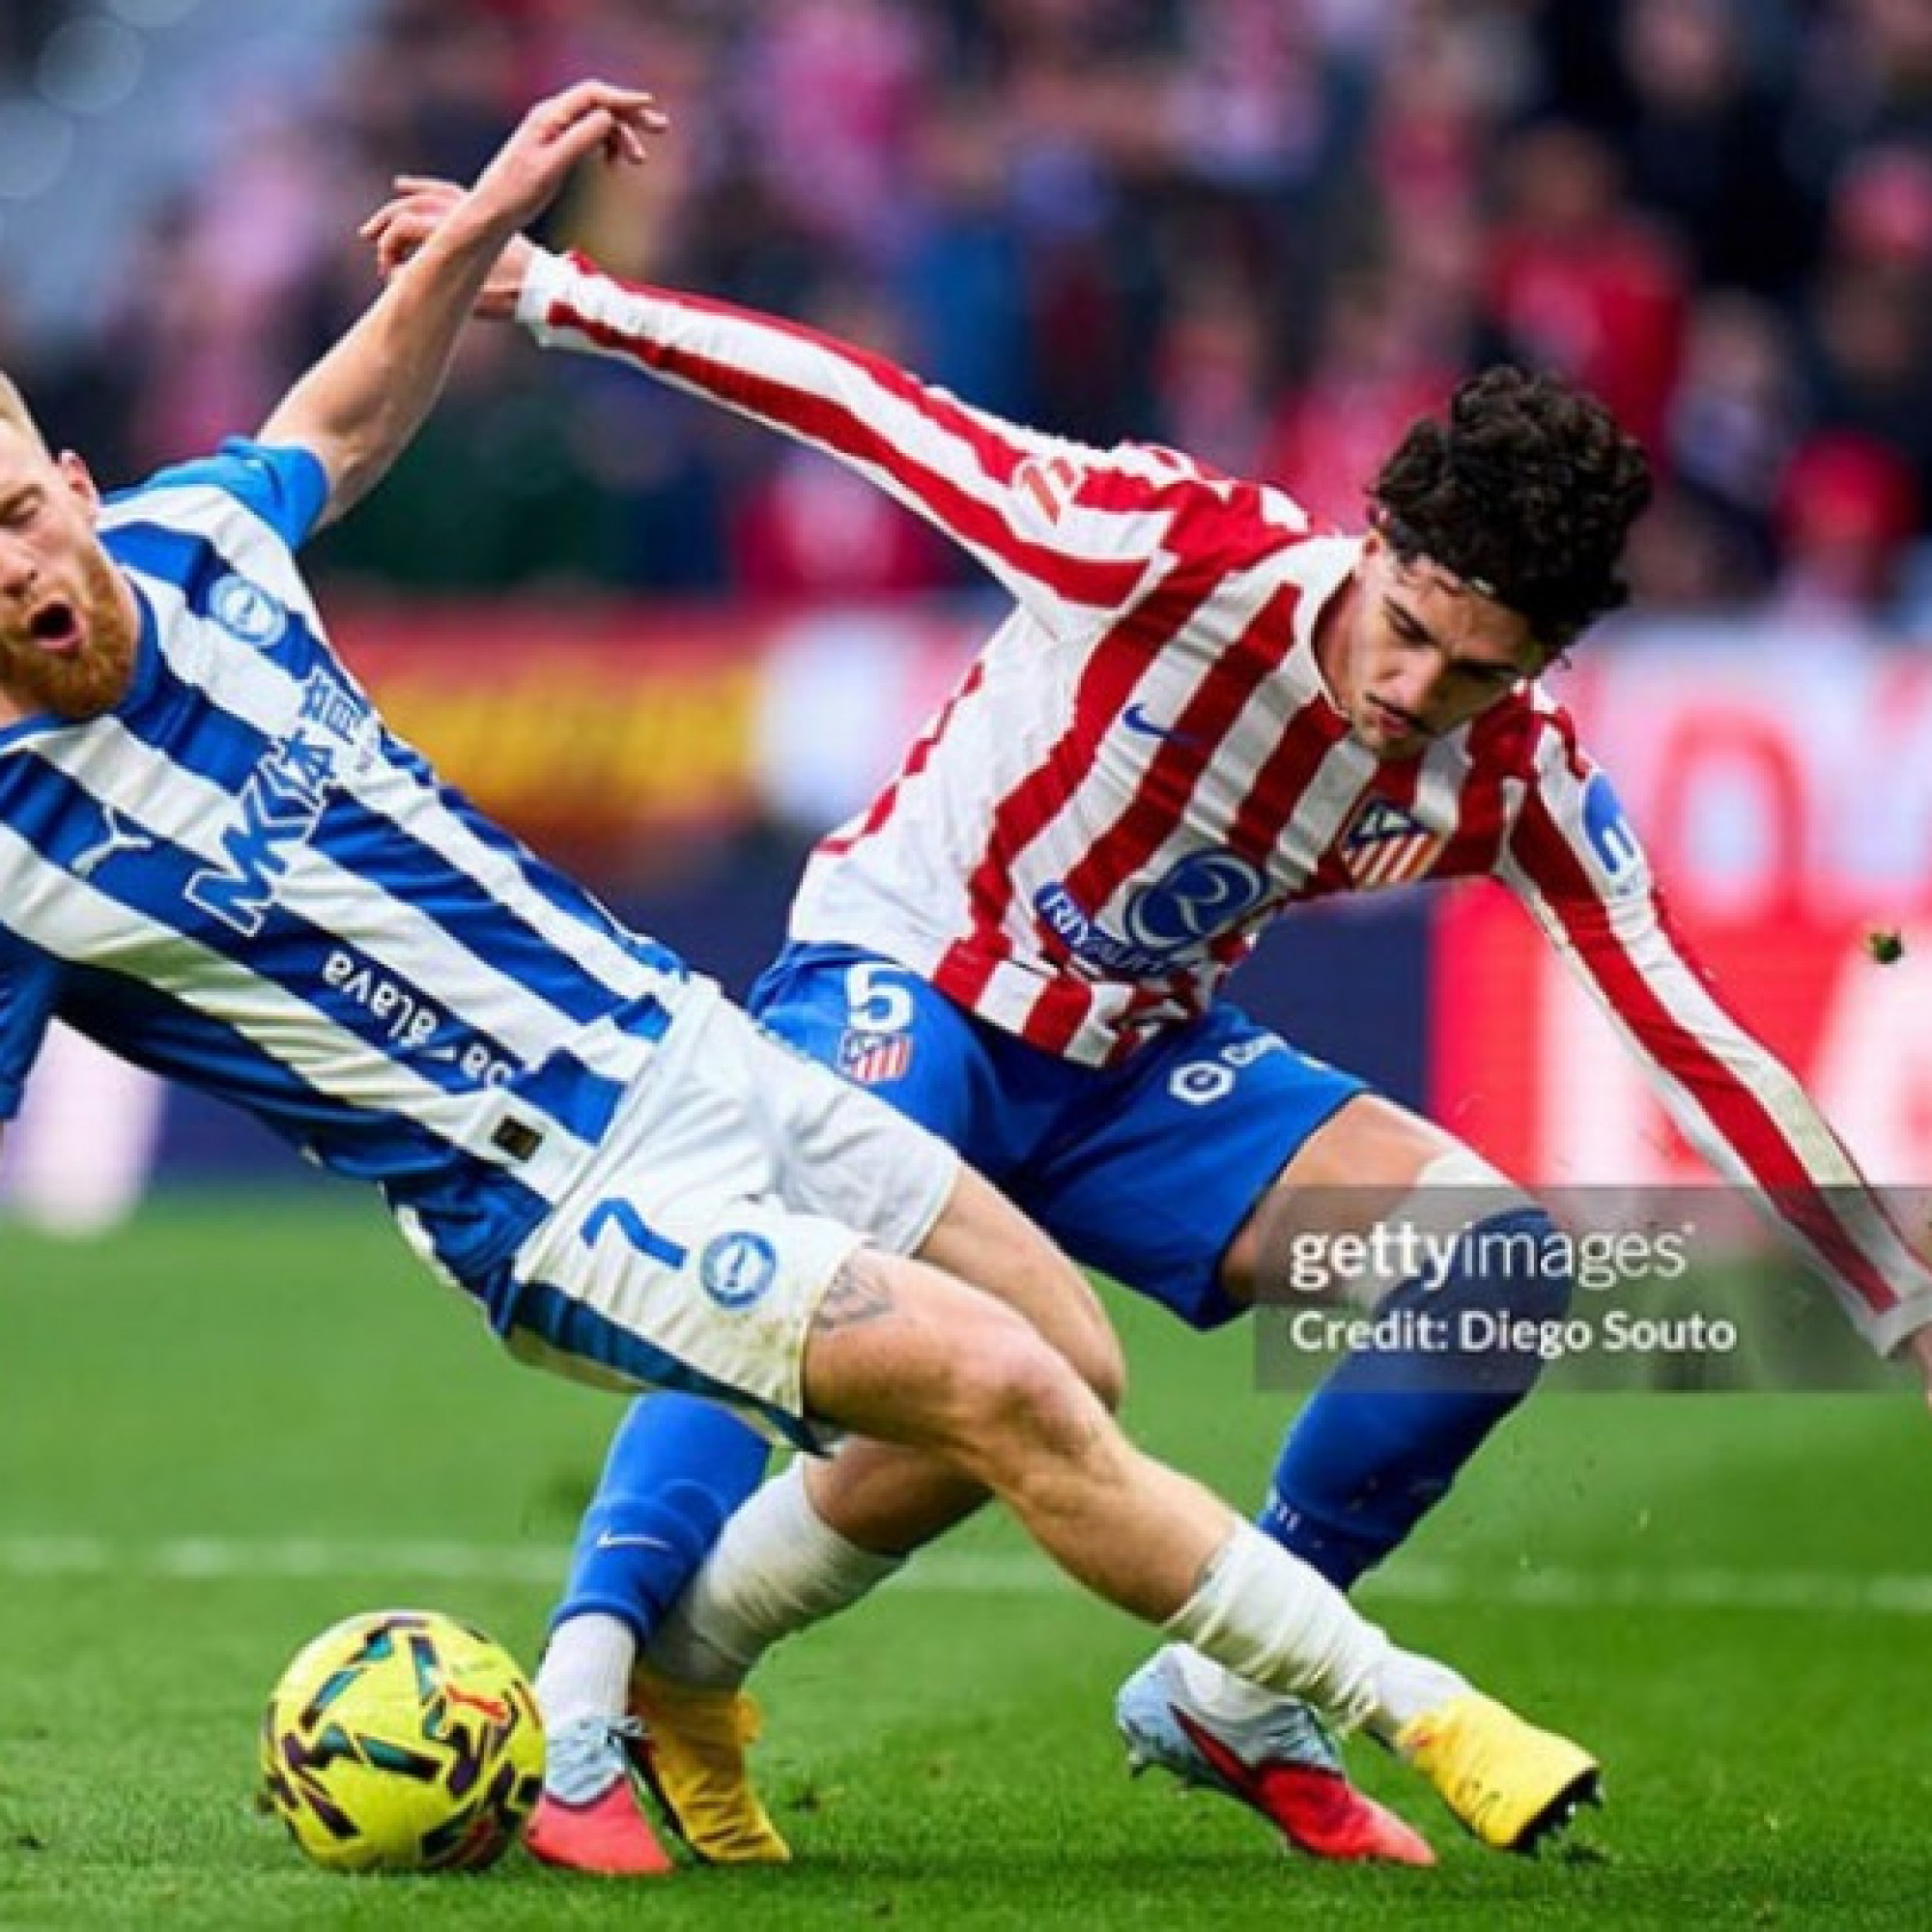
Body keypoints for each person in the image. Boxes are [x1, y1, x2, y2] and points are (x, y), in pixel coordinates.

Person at [0, 78, 1601, 1873]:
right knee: (999, 1392)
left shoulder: (200, 544)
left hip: (679, 1037)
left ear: (78, 487)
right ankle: (1416, 1706)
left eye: (18, 513)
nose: (15, 570)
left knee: (1071, 1359)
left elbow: (342, 412)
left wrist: (500, 233)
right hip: (555, 1190)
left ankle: (671, 1670)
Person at [363, 166, 1932, 1877]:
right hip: (911, 979)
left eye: (1477, 673)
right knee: (802, 1254)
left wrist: (1897, 1300)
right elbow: (868, 407)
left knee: (1494, 1267)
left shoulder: (1515, 773)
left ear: (1540, 664)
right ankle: (592, 1689)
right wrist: (560, 294)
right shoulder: (1160, 549)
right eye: (1408, 632)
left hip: (1127, 1071)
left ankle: (1229, 1688)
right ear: (1374, 543)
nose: (1414, 693)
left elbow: (1689, 1035)